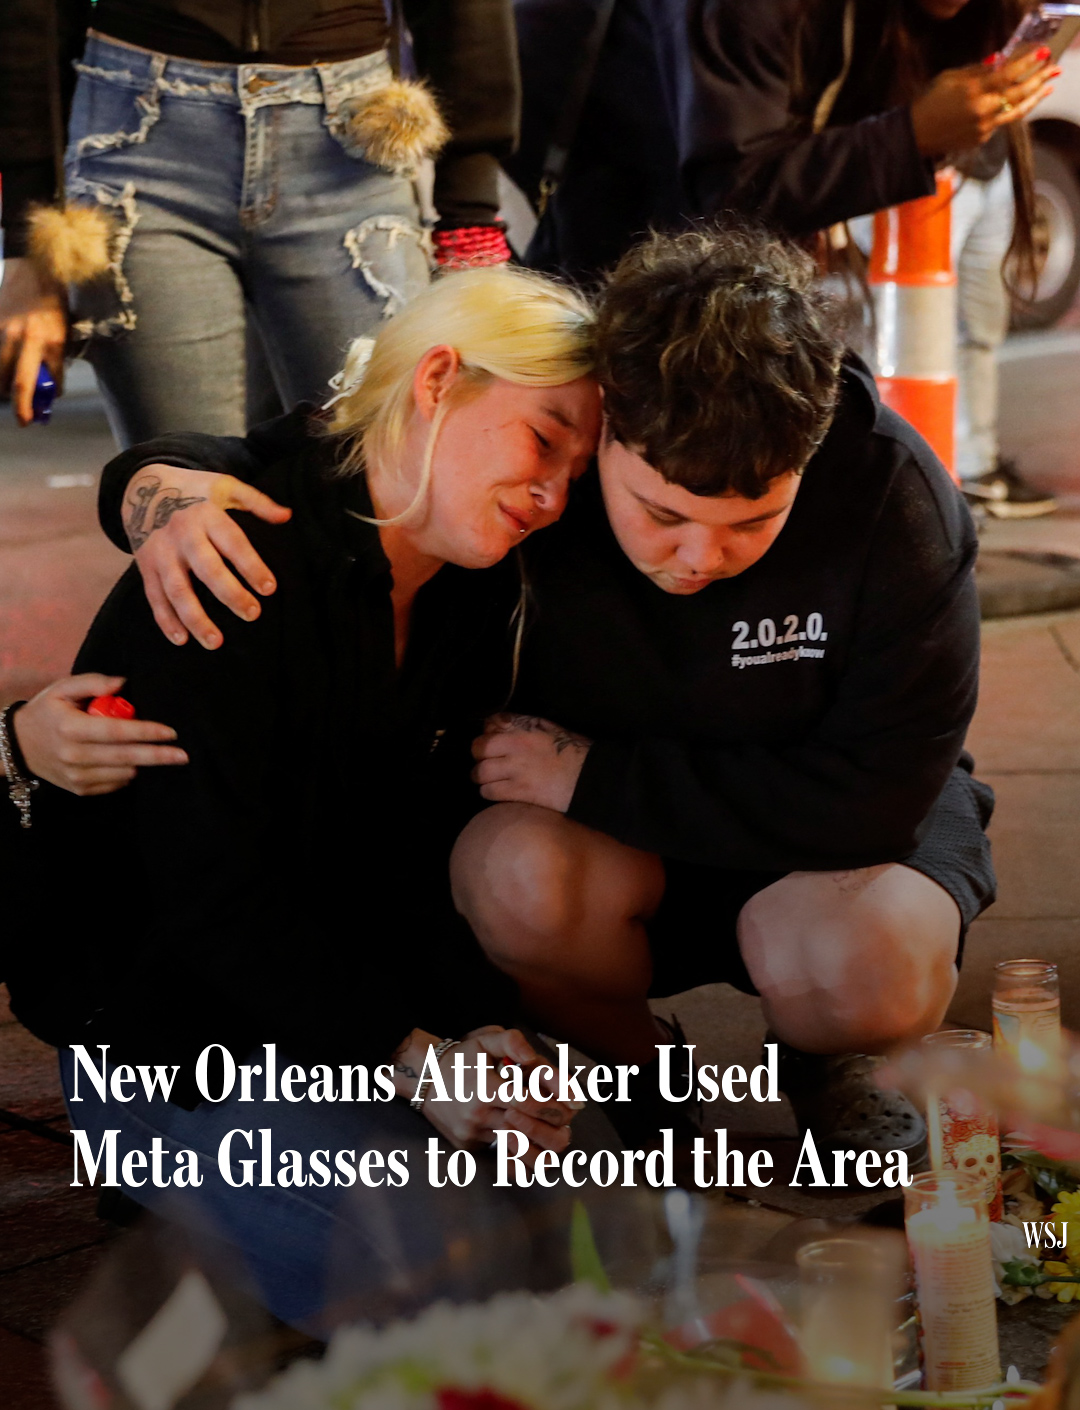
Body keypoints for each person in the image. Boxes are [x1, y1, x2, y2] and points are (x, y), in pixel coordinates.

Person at [45, 225, 995, 1164]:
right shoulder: (553, 458)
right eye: (661, 513)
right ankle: (639, 1075)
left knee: (863, 963)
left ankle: (832, 1061)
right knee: (505, 883)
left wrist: (594, 779)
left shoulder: (891, 493)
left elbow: (878, 800)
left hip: (820, 833)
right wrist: (158, 484)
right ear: (611, 420)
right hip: (601, 838)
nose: (700, 559)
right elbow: (323, 454)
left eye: (753, 524)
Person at [0, 265, 604, 1329]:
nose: (554, 493)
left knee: (603, 1208)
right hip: (163, 1038)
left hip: (335, 1019)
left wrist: (483, 1031)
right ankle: (164, 1177)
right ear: (437, 380)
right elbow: (206, 903)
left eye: (579, 466)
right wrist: (420, 1059)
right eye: (542, 439)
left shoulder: (471, 582)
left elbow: (418, 854)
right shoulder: (236, 558)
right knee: (456, 1283)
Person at [509, 0, 1057, 516]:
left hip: (703, 281)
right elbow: (729, 196)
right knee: (645, 496)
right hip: (630, 266)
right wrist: (908, 136)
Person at [0, 0, 519, 440]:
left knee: (384, 479)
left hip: (351, 140)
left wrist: (468, 216)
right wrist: (26, 248)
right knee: (186, 491)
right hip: (139, 144)